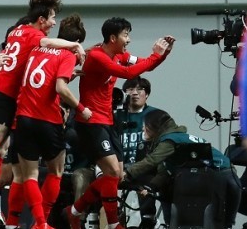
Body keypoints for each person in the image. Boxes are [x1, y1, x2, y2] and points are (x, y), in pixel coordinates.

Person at [0, 0, 85, 205]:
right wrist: (72, 46)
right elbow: (48, 42)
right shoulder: (33, 34)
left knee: (0, 149)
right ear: (41, 19)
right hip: (9, 96)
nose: (53, 22)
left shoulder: (16, 31)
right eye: (51, 17)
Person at [63, 17, 175, 229]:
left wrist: (163, 54)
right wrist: (155, 55)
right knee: (113, 173)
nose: (129, 40)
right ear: (112, 37)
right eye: (126, 35)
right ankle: (114, 224)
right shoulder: (97, 56)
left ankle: (74, 211)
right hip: (90, 122)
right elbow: (127, 74)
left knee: (115, 175)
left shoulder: (119, 55)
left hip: (107, 122)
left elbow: (142, 65)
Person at [13, 14, 91, 229]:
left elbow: (42, 78)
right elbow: (60, 89)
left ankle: (38, 223)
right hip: (47, 119)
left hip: (24, 117)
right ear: (77, 44)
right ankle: (43, 222)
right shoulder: (67, 55)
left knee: (29, 174)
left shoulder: (36, 48)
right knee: (56, 171)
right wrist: (81, 109)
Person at [123, 109, 242, 229]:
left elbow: (151, 161)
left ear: (155, 127)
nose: (143, 129)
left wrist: (126, 173)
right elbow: (165, 170)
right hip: (220, 172)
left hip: (218, 172)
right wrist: (151, 187)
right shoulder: (177, 138)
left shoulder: (169, 140)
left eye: (145, 126)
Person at [114, 76, 161, 228]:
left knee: (148, 181)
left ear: (146, 94)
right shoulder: (116, 116)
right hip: (118, 168)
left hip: (144, 169)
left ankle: (148, 220)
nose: (135, 93)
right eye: (130, 89)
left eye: (139, 89)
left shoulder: (156, 115)